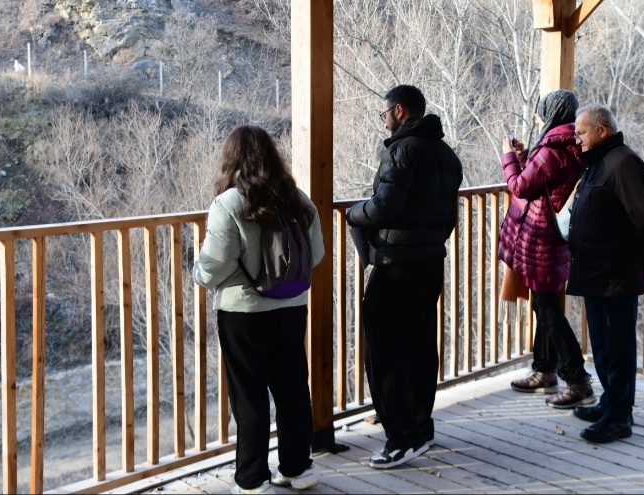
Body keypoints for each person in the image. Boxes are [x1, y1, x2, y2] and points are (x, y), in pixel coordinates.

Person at [192, 125, 325, 494]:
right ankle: (297, 469)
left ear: (231, 157)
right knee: (292, 388)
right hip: (291, 307)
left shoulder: (230, 203)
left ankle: (252, 479)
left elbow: (213, 266)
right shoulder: (298, 199)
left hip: (243, 314)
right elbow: (316, 254)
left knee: (249, 395)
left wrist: (197, 271)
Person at [346, 85, 463, 469]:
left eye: (384, 114)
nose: (384, 120)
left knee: (383, 351)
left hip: (396, 264)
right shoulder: (446, 155)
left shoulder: (402, 151)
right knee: (419, 346)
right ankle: (420, 424)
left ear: (398, 111)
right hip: (430, 261)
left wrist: (353, 213)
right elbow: (448, 217)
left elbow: (385, 206)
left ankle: (401, 438)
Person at [568, 104, 644, 444]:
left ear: (602, 131)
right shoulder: (598, 163)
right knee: (603, 347)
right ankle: (610, 402)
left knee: (618, 348)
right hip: (596, 272)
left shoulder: (623, 164)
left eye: (581, 133)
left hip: (615, 274)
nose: (576, 139)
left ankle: (619, 417)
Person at [498, 89, 596, 409]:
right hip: (552, 238)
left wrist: (508, 157)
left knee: (550, 311)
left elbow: (520, 186)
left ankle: (577, 379)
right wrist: (526, 156)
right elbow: (541, 180)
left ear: (552, 113)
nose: (538, 118)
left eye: (541, 113)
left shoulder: (553, 147)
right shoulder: (565, 143)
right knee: (545, 305)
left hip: (542, 240)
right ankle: (544, 370)